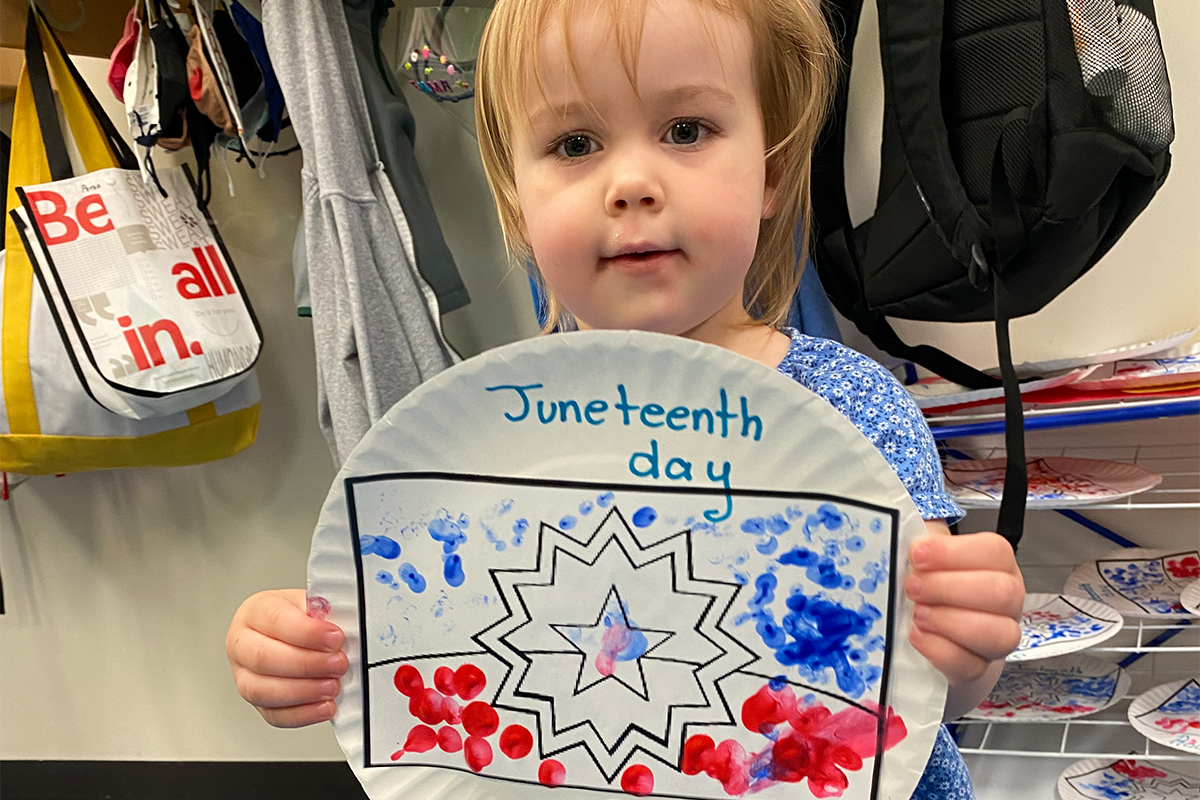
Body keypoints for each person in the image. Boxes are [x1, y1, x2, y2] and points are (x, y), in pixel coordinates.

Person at [226, 0, 1024, 796]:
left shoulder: (852, 406)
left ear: (773, 173)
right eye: (575, 144)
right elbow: (426, 641)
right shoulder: (477, 437)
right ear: (517, 202)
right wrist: (308, 650)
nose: (632, 183)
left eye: (686, 131)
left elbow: (931, 697)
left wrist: (969, 643)